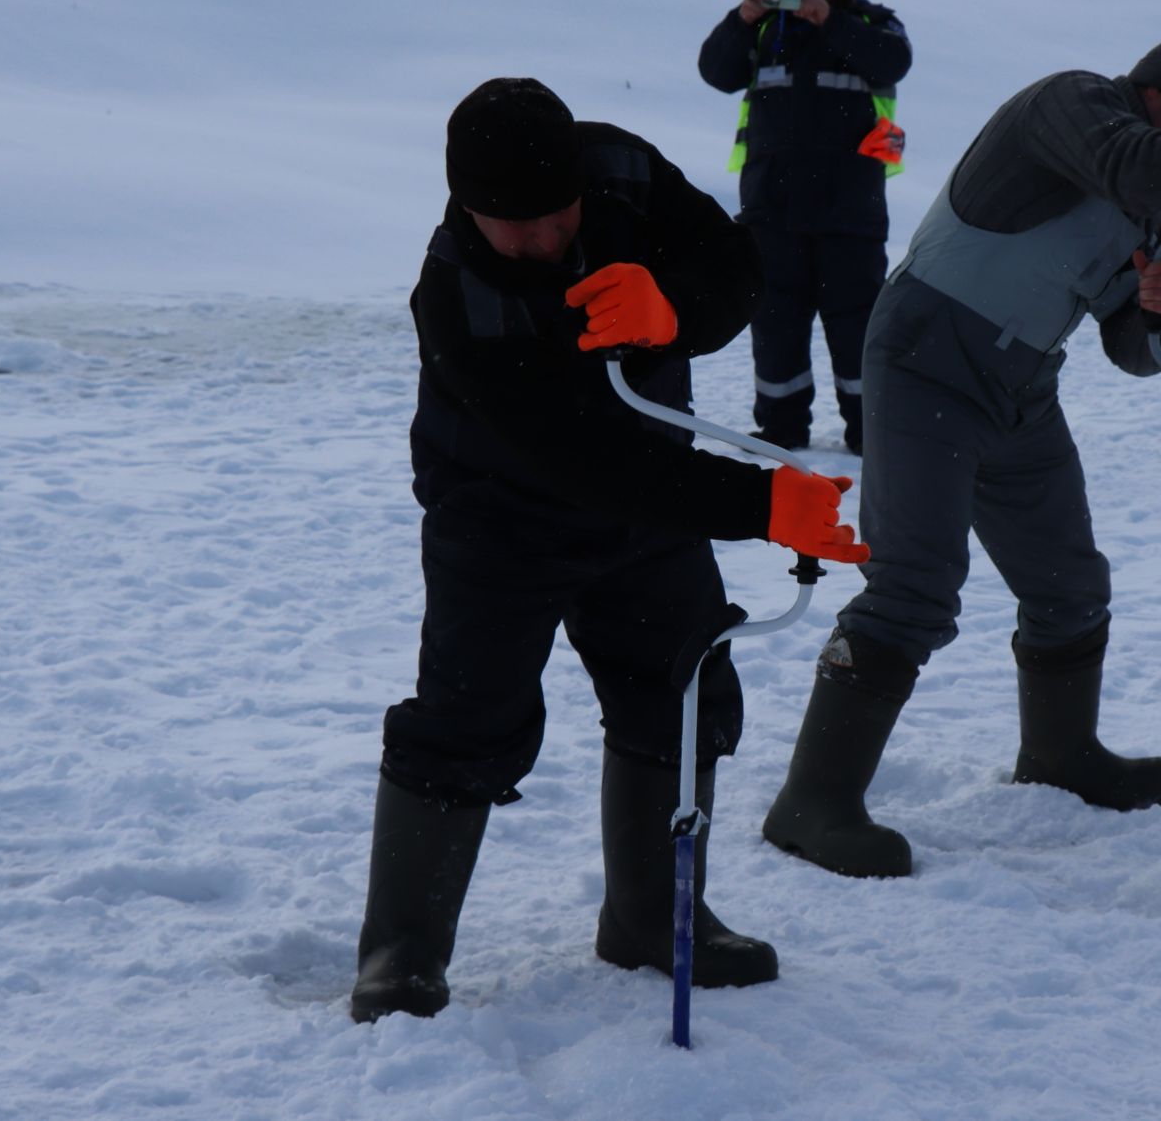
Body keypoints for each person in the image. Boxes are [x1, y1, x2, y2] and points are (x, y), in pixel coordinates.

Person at [759, 26, 1161, 878]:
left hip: (1020, 387)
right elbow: (1138, 163)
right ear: (1155, 92)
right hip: (925, 358)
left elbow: (1134, 354)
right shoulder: (1072, 105)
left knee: (1071, 583)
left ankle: (1062, 758)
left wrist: (1160, 315)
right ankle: (811, 803)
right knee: (914, 586)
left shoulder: (1154, 206)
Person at [350, 77, 870, 1022]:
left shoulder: (622, 170)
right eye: (516, 225)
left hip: (649, 506)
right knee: (469, 721)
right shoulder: (457, 295)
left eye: (558, 215)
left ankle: (649, 918)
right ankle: (400, 954)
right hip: (498, 518)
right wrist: (761, 502)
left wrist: (675, 308)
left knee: (682, 691)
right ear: (467, 205)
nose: (545, 239)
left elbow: (737, 266)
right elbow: (583, 460)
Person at [698, 0, 911, 454]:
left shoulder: (870, 22)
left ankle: (871, 430)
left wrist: (828, 21)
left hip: (851, 211)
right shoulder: (764, 29)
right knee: (774, 323)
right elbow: (715, 71)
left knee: (857, 326)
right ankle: (781, 427)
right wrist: (743, 17)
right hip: (772, 208)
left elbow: (895, 61)